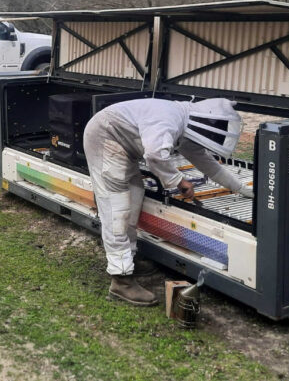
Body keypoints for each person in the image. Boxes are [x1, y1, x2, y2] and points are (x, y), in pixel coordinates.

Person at [83, 97, 253, 306]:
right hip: (105, 137)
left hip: (121, 144)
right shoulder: (169, 118)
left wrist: (241, 188)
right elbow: (154, 154)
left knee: (134, 198)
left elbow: (208, 164)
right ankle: (121, 280)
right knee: (117, 210)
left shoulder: (186, 127)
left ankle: (129, 260)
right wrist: (178, 180)